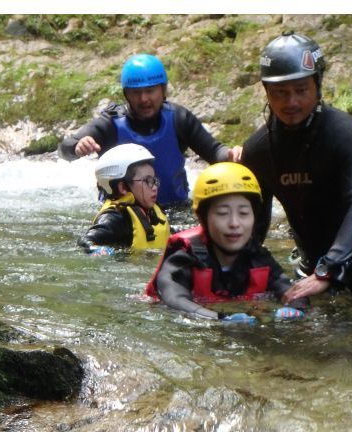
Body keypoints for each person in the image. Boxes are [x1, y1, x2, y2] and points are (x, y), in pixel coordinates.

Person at [240, 32, 352, 307]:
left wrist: (329, 269)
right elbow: (254, 227)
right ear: (266, 91)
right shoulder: (258, 150)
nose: (291, 103)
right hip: (312, 264)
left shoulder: (347, 135)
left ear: (318, 84)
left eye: (301, 90)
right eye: (280, 93)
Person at [59, 53, 242, 209]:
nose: (144, 98)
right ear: (126, 95)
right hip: (123, 213)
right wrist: (77, 146)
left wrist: (229, 155)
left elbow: (214, 152)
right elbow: (65, 149)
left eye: (150, 90)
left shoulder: (179, 119)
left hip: (174, 210)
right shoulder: (110, 124)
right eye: (136, 93)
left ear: (163, 90)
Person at [145, 162, 307, 323]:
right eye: (222, 213)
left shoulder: (258, 257)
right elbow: (174, 299)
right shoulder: (183, 257)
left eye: (243, 213)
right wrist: (219, 319)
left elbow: (290, 290)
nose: (234, 223)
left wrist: (296, 308)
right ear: (202, 218)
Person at [78, 143, 169, 255]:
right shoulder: (115, 218)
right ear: (123, 187)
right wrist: (97, 250)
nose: (154, 187)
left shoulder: (152, 211)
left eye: (154, 181)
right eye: (147, 181)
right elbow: (85, 241)